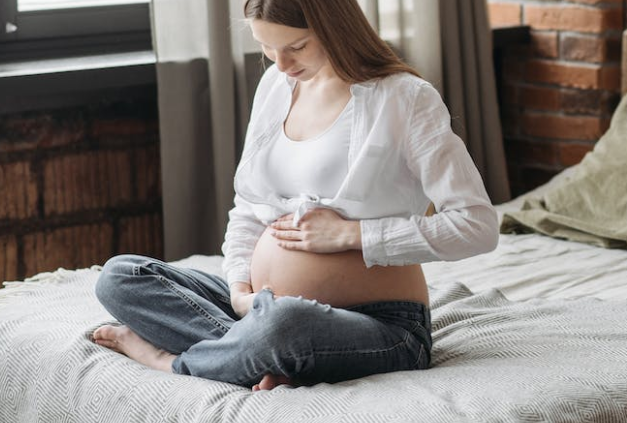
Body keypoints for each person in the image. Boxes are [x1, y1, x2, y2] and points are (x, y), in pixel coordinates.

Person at [93, 0, 498, 391]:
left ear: (335, 25)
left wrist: (349, 235)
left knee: (284, 324)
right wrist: (238, 291)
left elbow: (476, 225)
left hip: (380, 324)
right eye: (266, 47)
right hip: (260, 309)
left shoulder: (405, 98)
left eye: (296, 47)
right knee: (120, 277)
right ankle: (247, 350)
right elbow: (250, 206)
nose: (281, 64)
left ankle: (175, 363)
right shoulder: (276, 87)